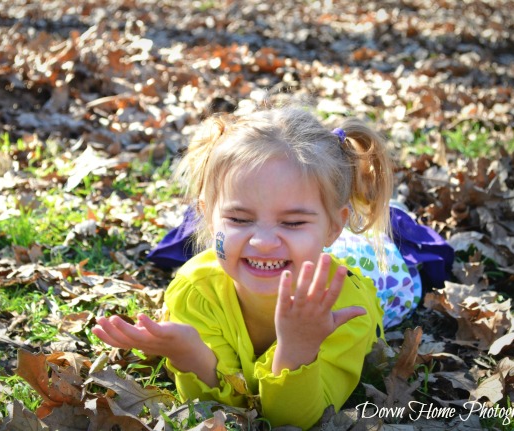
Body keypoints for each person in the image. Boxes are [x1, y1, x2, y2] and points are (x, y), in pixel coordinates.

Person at [93, 105, 395, 429]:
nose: (263, 242)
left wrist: (297, 350)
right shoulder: (195, 292)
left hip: (377, 273)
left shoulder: (345, 308)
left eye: (292, 222)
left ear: (335, 226)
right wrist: (189, 354)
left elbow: (293, 421)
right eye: (239, 219)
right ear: (208, 216)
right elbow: (219, 413)